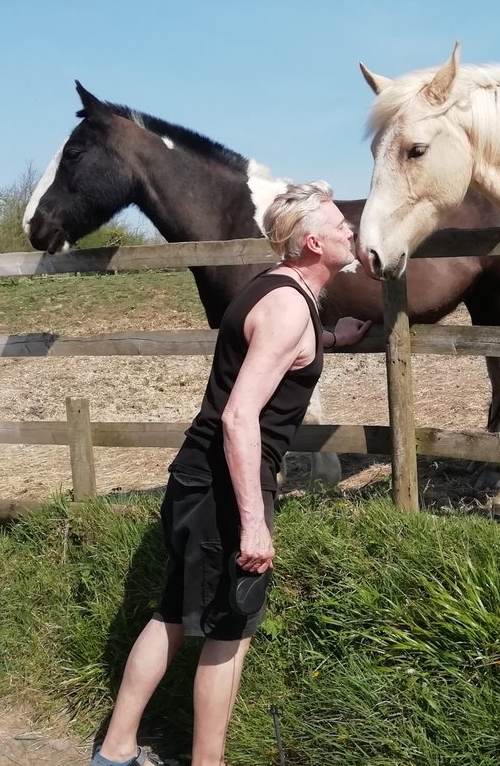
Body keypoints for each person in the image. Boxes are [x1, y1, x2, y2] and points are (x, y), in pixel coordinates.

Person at [91, 181, 371, 766]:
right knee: (228, 633)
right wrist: (253, 523)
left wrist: (329, 340)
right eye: (341, 223)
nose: (352, 228)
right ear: (314, 242)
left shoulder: (274, 291)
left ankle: (115, 753)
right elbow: (241, 416)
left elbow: (274, 346)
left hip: (196, 475)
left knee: (171, 613)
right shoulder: (290, 306)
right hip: (226, 483)